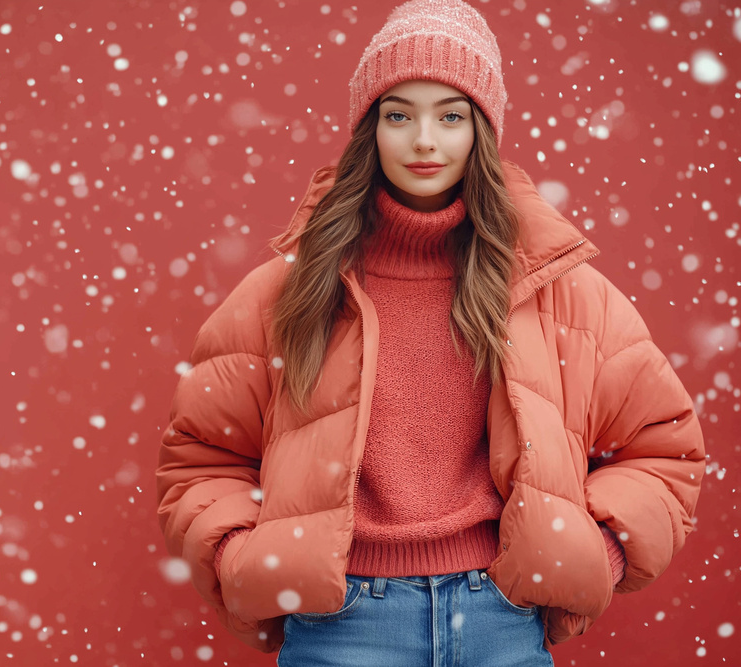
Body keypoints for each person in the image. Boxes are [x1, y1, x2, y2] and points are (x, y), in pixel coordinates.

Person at [155, 0, 706, 664]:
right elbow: (202, 459)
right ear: (371, 130)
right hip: (343, 627)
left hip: (500, 622)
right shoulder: (287, 291)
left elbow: (664, 449)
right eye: (399, 114)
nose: (424, 140)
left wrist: (595, 551)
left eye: (450, 115)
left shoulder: (554, 287)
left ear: (482, 131)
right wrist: (242, 560)